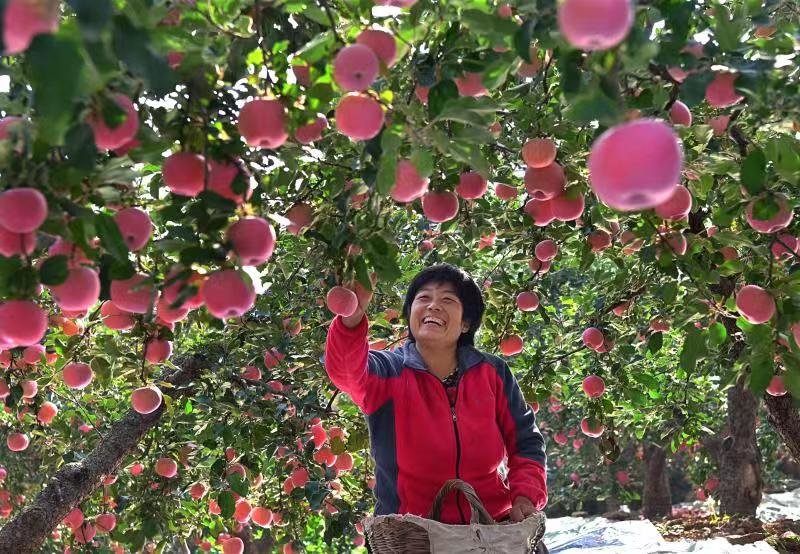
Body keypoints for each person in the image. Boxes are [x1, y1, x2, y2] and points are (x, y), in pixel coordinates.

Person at [324, 263, 548, 546]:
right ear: (410, 316)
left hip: (492, 531)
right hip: (411, 536)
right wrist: (352, 319)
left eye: (447, 300)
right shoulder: (388, 372)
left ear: (466, 322)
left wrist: (525, 496)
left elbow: (526, 442)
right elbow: (345, 371)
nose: (433, 306)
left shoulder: (493, 373)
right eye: (423, 298)